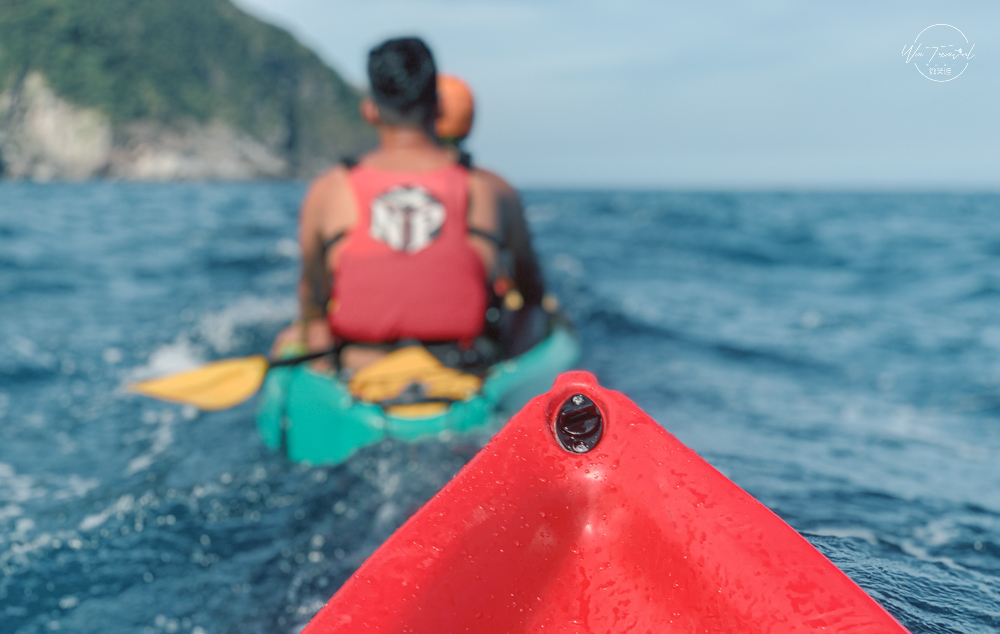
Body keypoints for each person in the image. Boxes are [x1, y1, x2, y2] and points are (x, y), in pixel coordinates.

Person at [272, 37, 547, 372]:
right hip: (465, 371)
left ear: (370, 110)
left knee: (294, 336)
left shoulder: (328, 191)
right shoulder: (493, 190)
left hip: (360, 372)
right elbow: (532, 293)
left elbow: (312, 306)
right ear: (439, 107)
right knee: (538, 315)